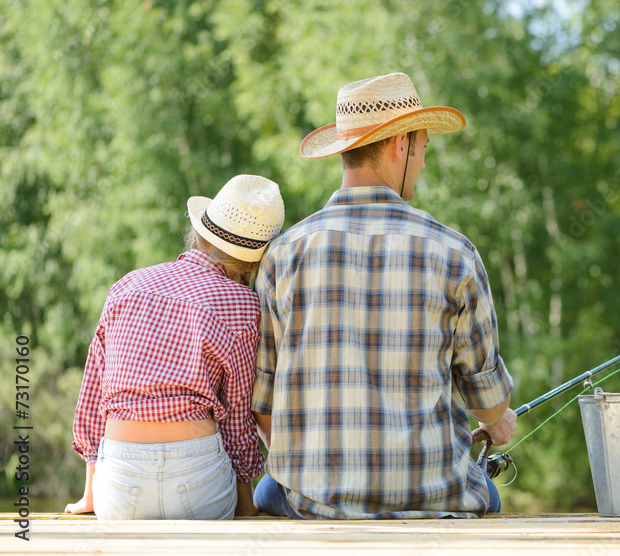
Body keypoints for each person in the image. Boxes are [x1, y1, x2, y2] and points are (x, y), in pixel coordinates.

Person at [251, 72, 516, 519]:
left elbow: (265, 407)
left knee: (267, 493)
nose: (425, 163)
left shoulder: (283, 254)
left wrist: (321, 474)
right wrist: (497, 422)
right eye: (424, 148)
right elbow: (489, 401)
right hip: (437, 498)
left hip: (315, 503)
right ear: (401, 145)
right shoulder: (455, 253)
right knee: (490, 494)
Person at [67, 175, 285, 520]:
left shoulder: (126, 287)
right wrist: (245, 503)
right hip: (199, 482)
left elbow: (93, 397)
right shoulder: (244, 304)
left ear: (199, 234)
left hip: (118, 488)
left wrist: (90, 494)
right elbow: (238, 418)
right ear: (254, 261)